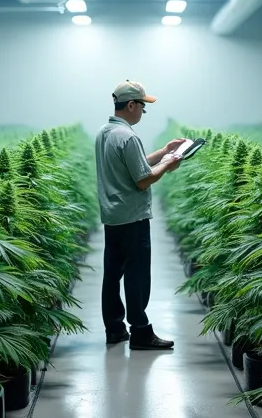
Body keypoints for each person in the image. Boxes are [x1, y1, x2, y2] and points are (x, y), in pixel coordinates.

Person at [95, 79, 185, 350]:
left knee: (112, 275)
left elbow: (133, 167)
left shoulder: (106, 132)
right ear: (131, 105)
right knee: (137, 276)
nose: (143, 112)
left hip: (113, 216)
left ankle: (114, 329)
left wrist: (163, 152)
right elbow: (143, 180)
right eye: (142, 107)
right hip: (133, 217)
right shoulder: (129, 137)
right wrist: (168, 165)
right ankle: (141, 332)